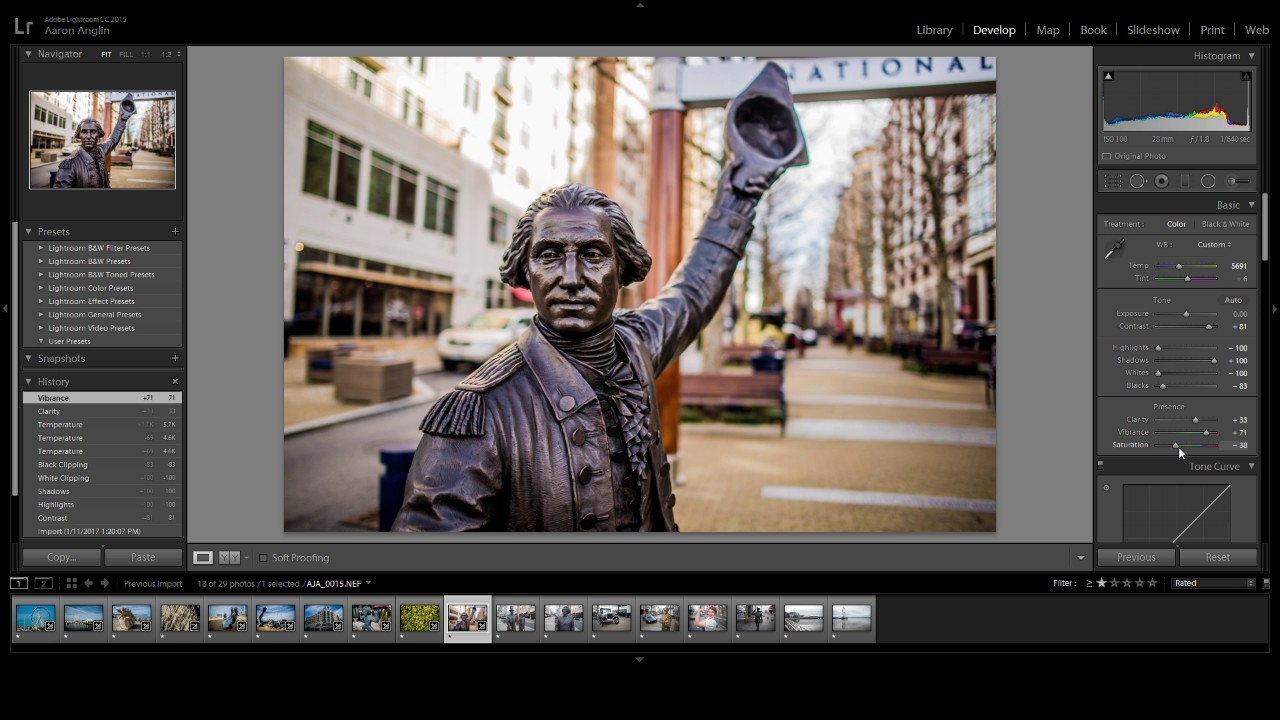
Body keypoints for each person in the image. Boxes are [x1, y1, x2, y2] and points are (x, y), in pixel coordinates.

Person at [392, 65, 800, 533]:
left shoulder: (636, 345)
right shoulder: (478, 414)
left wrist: (743, 183)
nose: (570, 278)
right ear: (525, 272)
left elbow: (693, 291)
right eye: (548, 256)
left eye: (592, 255)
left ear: (622, 268)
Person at [54, 95, 134, 188]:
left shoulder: (101, 150)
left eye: (92, 132)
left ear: (99, 134)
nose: (88, 136)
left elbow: (113, 139)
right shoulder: (69, 164)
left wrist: (123, 118)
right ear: (79, 135)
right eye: (84, 132)